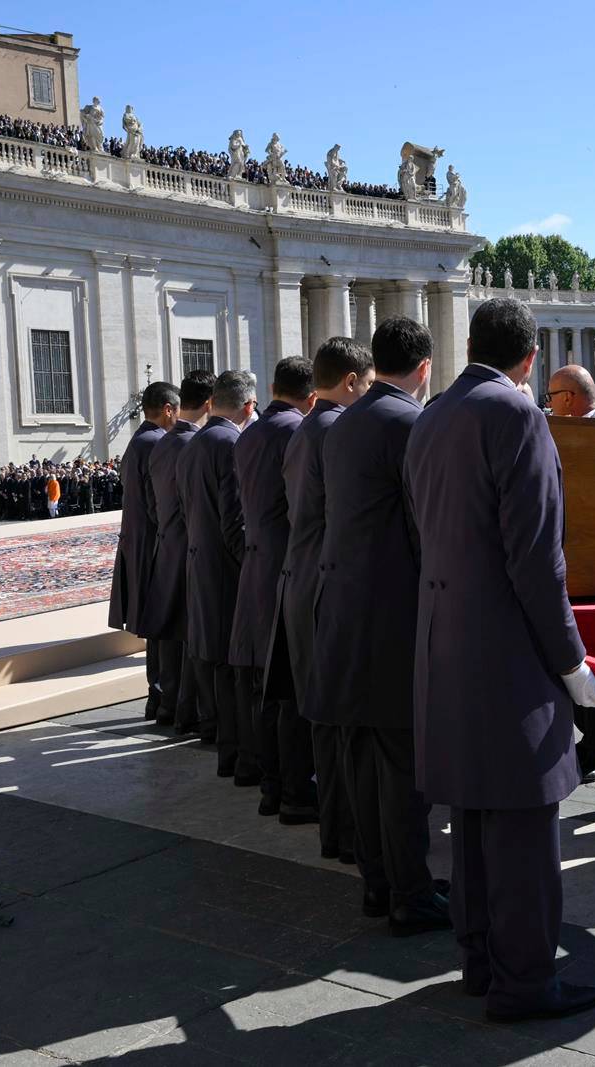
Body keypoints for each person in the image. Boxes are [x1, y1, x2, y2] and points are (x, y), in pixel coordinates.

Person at [405, 298, 595, 1022]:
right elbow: (536, 558)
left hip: (446, 643)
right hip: (509, 652)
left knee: (475, 821)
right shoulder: (517, 415)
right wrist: (571, 660)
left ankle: (481, 960)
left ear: (470, 344)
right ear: (531, 356)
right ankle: (524, 981)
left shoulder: (430, 416)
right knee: (522, 827)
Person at [309, 317, 448, 935]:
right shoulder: (409, 423)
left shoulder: (342, 423)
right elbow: (425, 527)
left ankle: (377, 883)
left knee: (361, 758)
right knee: (401, 764)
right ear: (423, 368)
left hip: (342, 606)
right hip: (392, 612)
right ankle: (411, 895)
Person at [268, 338, 374, 865]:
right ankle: (348, 832)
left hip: (301, 578)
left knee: (325, 719)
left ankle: (337, 829)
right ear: (352, 381)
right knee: (340, 721)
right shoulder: (338, 429)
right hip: (324, 583)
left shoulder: (309, 426)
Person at [228, 357, 317, 822]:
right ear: (311, 396)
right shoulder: (297, 433)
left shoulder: (250, 435)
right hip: (289, 572)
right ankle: (296, 791)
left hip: (256, 569)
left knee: (265, 688)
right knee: (292, 693)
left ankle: (272, 786)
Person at [544, 363, 595, 782]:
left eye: (552, 397)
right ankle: (590, 739)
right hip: (574, 564)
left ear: (570, 399)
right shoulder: (562, 433)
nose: (549, 405)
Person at [179, 371, 257, 781]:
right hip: (227, 573)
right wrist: (252, 564)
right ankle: (243, 758)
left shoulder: (194, 444)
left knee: (220, 674)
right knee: (235, 674)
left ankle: (230, 755)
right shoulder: (230, 443)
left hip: (201, 567)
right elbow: (234, 521)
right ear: (247, 407)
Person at [139, 370, 214, 734]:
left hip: (167, 545)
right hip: (191, 549)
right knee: (189, 638)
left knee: (170, 636)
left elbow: (153, 506)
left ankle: (168, 704)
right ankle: (189, 711)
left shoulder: (162, 443)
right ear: (211, 402)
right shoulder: (196, 445)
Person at [109, 380, 176, 720]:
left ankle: (157, 695)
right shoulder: (157, 443)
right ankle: (163, 697)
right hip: (154, 545)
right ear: (168, 410)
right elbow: (156, 503)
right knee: (163, 625)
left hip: (137, 543)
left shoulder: (138, 440)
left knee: (154, 628)